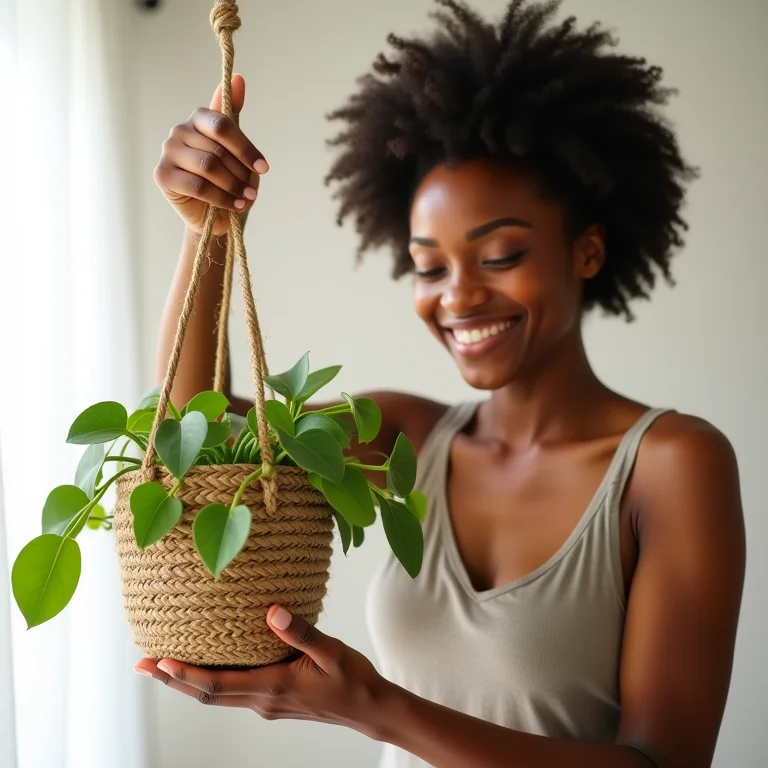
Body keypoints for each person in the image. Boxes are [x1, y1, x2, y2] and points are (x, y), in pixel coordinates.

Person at [133, 1, 746, 766]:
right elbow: (199, 435)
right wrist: (204, 232)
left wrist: (374, 709)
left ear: (587, 252)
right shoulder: (405, 436)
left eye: (499, 256)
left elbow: (666, 763)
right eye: (429, 266)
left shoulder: (672, 463)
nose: (456, 296)